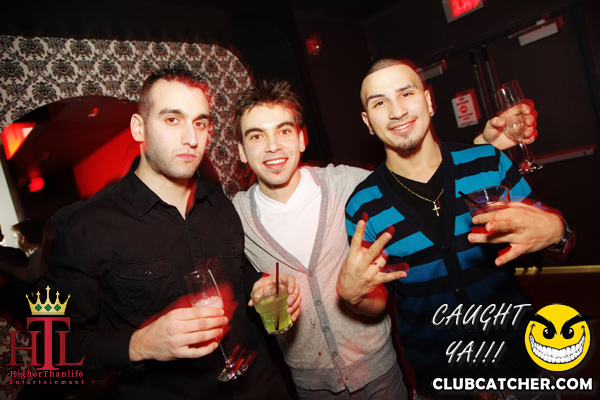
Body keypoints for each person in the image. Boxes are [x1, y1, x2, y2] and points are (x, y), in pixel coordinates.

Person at [231, 80, 538, 399]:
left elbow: (416, 179)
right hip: (310, 384)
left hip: (381, 372)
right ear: (240, 150)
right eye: (256, 136)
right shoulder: (233, 218)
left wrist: (479, 145)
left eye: (283, 130)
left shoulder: (348, 185)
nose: (272, 146)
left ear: (301, 138)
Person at [41, 67, 301, 400]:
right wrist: (140, 344)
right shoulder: (84, 227)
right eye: (172, 120)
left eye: (200, 123)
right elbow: (51, 346)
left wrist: (260, 287)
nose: (191, 138)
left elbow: (240, 276)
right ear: (139, 128)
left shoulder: (220, 204)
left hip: (262, 388)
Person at [337, 59, 574, 399]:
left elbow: (553, 249)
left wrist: (558, 232)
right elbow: (377, 301)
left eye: (406, 93)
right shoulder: (363, 205)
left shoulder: (488, 161)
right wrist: (354, 298)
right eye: (379, 102)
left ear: (429, 101)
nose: (397, 111)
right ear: (368, 122)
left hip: (522, 368)